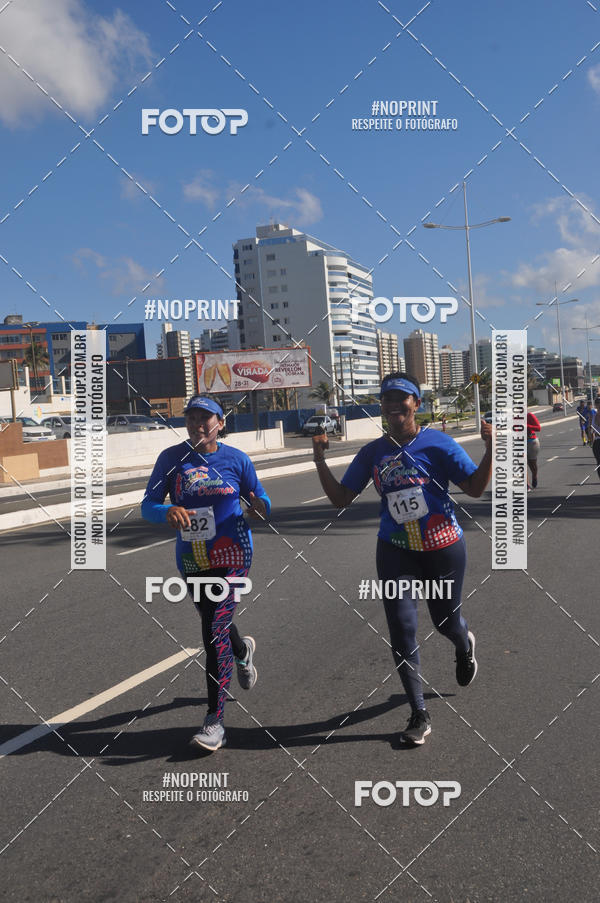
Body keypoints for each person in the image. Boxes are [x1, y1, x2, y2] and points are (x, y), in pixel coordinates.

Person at [312, 373, 493, 746]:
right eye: (388, 399)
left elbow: (475, 489)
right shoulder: (373, 453)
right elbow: (341, 498)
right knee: (402, 627)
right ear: (382, 406)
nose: (395, 405)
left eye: (402, 398)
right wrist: (318, 458)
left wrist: (491, 449)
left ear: (417, 404)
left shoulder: (439, 444)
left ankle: (464, 643)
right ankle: (418, 711)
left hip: (443, 547)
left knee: (445, 622)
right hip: (395, 549)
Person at [141, 395, 271, 752]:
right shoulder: (171, 459)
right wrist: (166, 511)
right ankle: (242, 649)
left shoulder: (236, 459)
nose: (198, 425)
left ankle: (215, 722)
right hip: (193, 559)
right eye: (192, 418)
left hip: (234, 554)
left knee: (213, 631)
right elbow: (148, 505)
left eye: (205, 418)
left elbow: (262, 500)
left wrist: (260, 507)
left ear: (220, 423)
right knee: (216, 623)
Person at [526, 412, 541, 489]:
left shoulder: (529, 415)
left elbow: (538, 428)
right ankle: (526, 484)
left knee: (532, 463)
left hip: (531, 441)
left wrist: (526, 426)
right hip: (519, 442)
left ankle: (534, 476)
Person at [591, 401, 600, 478]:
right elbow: (592, 431)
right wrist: (592, 441)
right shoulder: (594, 416)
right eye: (597, 404)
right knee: (599, 463)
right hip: (597, 442)